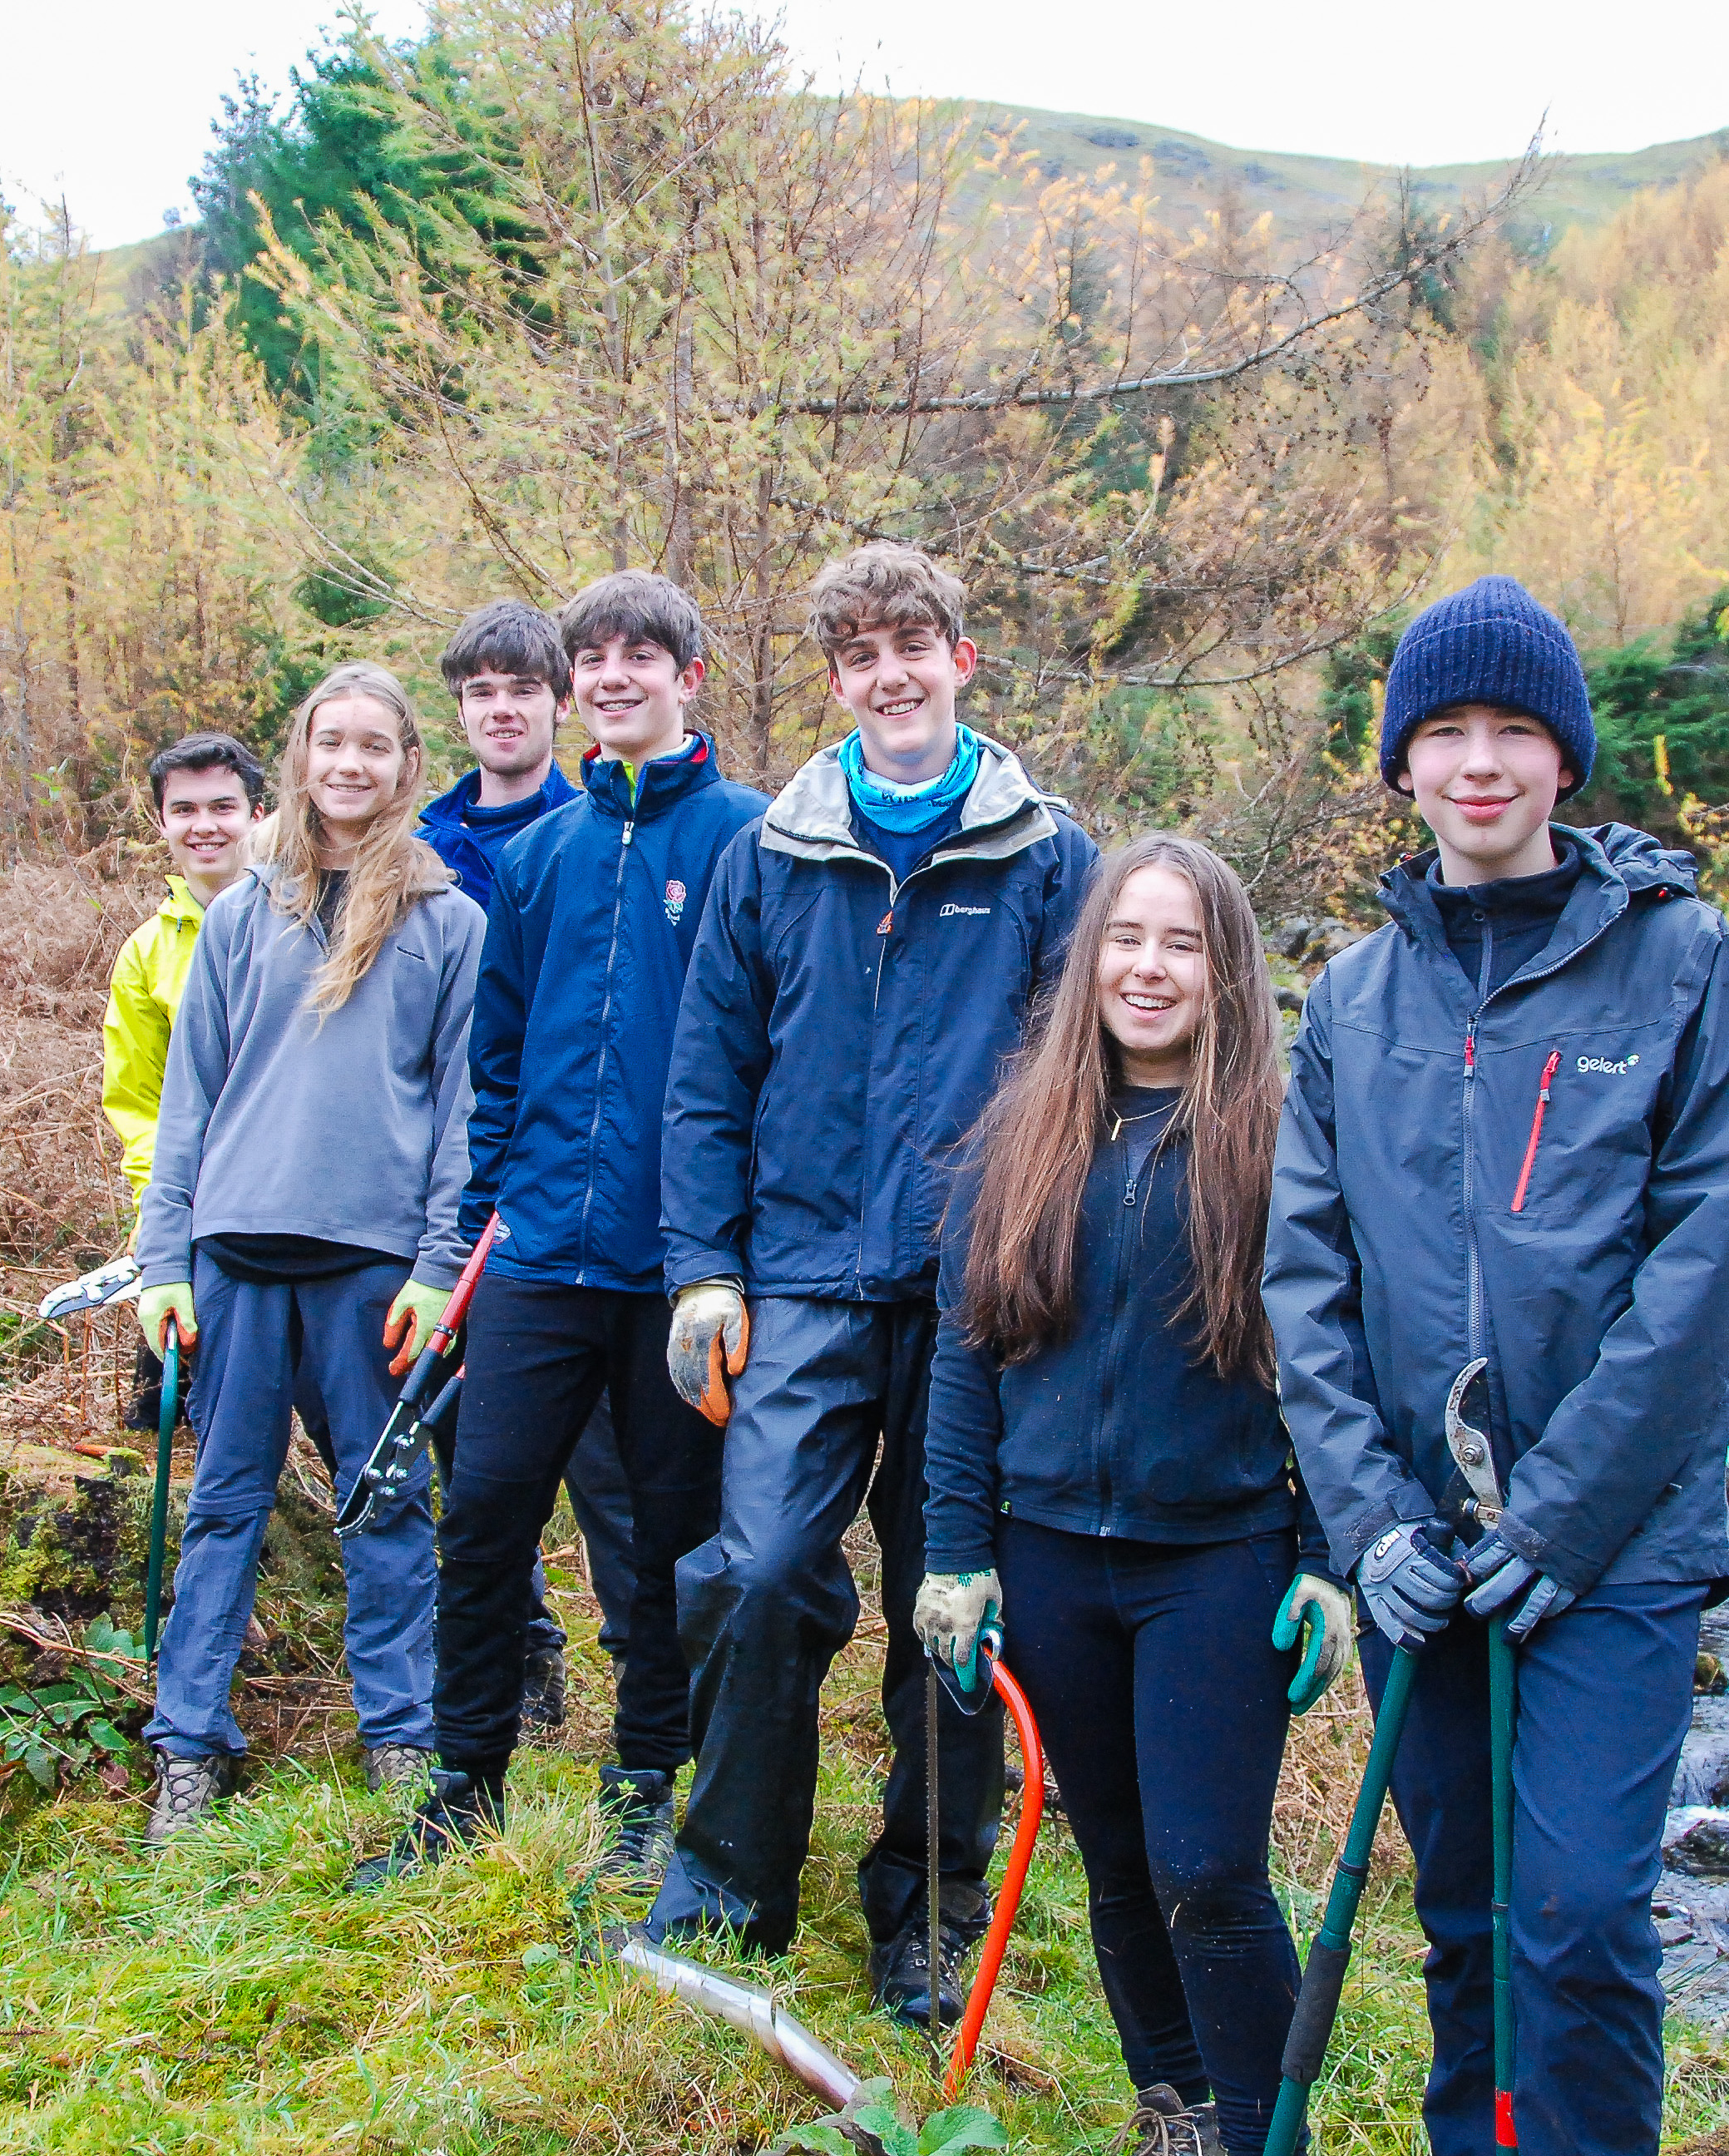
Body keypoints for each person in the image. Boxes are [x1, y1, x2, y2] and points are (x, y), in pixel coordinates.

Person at [1264, 575, 1729, 2156]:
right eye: (1444, 733)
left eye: (1513, 732)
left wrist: (1555, 1518)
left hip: (1609, 1545)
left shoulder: (1681, 964)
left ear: (1564, 760)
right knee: (1470, 1916)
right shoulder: (1352, 998)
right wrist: (1374, 1528)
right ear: (1402, 765)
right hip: (1426, 1544)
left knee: (1578, 1915)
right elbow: (1307, 1285)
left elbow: (1704, 1267)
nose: (1478, 763)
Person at [655, 540, 1098, 2021]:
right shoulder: (768, 853)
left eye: (913, 643)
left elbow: (1086, 1080)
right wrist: (703, 1270)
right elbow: (707, 1075)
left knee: (948, 1608)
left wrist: (1048, 1262)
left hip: (982, 1297)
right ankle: (727, 1894)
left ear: (963, 659)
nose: (888, 673)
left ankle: (925, 1914)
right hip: (801, 1280)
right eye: (857, 654)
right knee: (763, 1570)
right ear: (833, 680)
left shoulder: (1045, 854)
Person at [918, 834, 1355, 2156]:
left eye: (1181, 944)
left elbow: (1338, 1367)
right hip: (1045, 1560)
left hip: (1217, 1563)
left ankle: (1268, 2130)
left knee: (1208, 1870)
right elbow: (965, 1354)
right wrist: (953, 1554)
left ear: (1225, 971)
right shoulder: (1021, 1132)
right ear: (1088, 956)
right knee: (1114, 1863)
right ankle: (1181, 2109)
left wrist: (1328, 1560)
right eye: (1126, 938)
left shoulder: (1280, 1144)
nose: (1149, 969)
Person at [364, 571, 768, 1890]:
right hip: (537, 1254)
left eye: (640, 656)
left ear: (687, 677)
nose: (613, 676)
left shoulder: (747, 842)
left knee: (662, 1539)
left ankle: (646, 1781)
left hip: (675, 1270)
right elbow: (498, 1062)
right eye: (592, 658)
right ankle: (461, 1780)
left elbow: (767, 1057)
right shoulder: (536, 857)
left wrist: (729, 1248)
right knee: (480, 1516)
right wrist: (478, 1235)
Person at [132, 660, 486, 1837]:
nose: (350, 763)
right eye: (331, 742)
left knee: (385, 1502)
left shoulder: (448, 921)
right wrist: (162, 1261)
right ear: (301, 755)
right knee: (226, 1504)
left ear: (406, 766)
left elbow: (461, 1115)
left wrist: (442, 1269)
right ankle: (188, 1744)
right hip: (235, 1254)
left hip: (374, 1267)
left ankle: (401, 1728)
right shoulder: (242, 912)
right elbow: (188, 1100)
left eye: (374, 746)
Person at [417, 598, 645, 1734]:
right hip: (474, 1212)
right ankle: (507, 1685)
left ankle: (647, 1704)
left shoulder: (604, 830)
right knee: (482, 1480)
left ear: (561, 705)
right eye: (479, 691)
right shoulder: (414, 853)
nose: (502, 709)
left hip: (601, 1221)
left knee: (617, 1484)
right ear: (457, 708)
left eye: (523, 689)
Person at [102, 731, 265, 1435]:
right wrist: (160, 1209)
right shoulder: (146, 953)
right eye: (185, 809)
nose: (205, 826)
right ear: (162, 822)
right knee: (179, 1416)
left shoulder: (309, 922)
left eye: (223, 807)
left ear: (258, 814)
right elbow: (137, 1103)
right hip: (197, 1217)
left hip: (310, 1212)